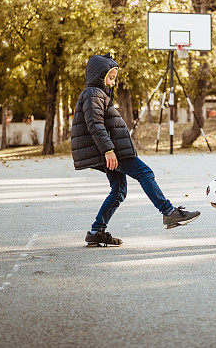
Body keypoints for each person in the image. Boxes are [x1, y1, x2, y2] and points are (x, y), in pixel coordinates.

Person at [71, 54, 200, 246]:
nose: (113, 83)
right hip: (113, 152)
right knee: (145, 173)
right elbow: (94, 124)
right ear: (99, 76)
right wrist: (108, 151)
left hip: (112, 150)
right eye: (111, 78)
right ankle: (168, 212)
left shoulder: (98, 94)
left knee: (118, 191)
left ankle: (96, 231)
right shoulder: (94, 94)